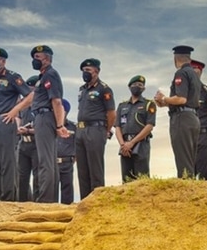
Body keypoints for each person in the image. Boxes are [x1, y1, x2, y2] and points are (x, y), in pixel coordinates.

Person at [0, 47, 33, 201]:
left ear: (3, 61)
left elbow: (30, 96)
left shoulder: (12, 77)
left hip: (5, 122)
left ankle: (8, 199)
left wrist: (14, 111)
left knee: (7, 163)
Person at [154, 45, 201, 179]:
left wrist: (163, 98)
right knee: (190, 158)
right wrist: (165, 102)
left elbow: (181, 99)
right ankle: (191, 186)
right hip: (193, 118)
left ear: (176, 58)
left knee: (183, 159)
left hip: (182, 119)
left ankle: (186, 189)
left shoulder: (181, 73)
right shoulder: (194, 74)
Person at [30, 45, 68, 203]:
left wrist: (60, 126)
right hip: (42, 118)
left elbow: (57, 101)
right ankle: (49, 198)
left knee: (45, 161)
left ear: (47, 59)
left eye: (38, 57)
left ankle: (45, 200)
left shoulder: (50, 75)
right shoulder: (43, 76)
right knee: (49, 160)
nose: (34, 60)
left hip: (46, 117)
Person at [76, 58, 116, 199]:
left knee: (95, 169)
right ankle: (84, 202)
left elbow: (111, 113)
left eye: (88, 70)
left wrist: (106, 130)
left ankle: (98, 202)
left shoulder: (104, 89)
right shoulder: (82, 89)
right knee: (82, 169)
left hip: (96, 130)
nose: (85, 73)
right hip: (80, 131)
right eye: (83, 71)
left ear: (96, 71)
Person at [115, 75, 157, 182]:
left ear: (144, 88)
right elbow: (118, 127)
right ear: (129, 87)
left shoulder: (149, 104)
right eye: (134, 85)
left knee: (142, 180)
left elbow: (149, 126)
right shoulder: (122, 106)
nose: (137, 87)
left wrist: (132, 142)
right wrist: (123, 144)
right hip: (125, 146)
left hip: (141, 144)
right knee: (127, 180)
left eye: (140, 85)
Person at [17, 75, 40, 202]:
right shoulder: (23, 106)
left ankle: (37, 203)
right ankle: (22, 203)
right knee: (22, 177)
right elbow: (18, 120)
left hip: (36, 144)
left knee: (37, 177)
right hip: (23, 145)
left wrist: (29, 130)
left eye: (31, 90)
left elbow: (45, 130)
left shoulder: (42, 107)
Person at [57, 99, 76, 204]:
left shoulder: (74, 127)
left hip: (67, 163)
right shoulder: (50, 126)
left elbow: (78, 145)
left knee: (67, 193)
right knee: (50, 193)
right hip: (52, 164)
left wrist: (73, 158)